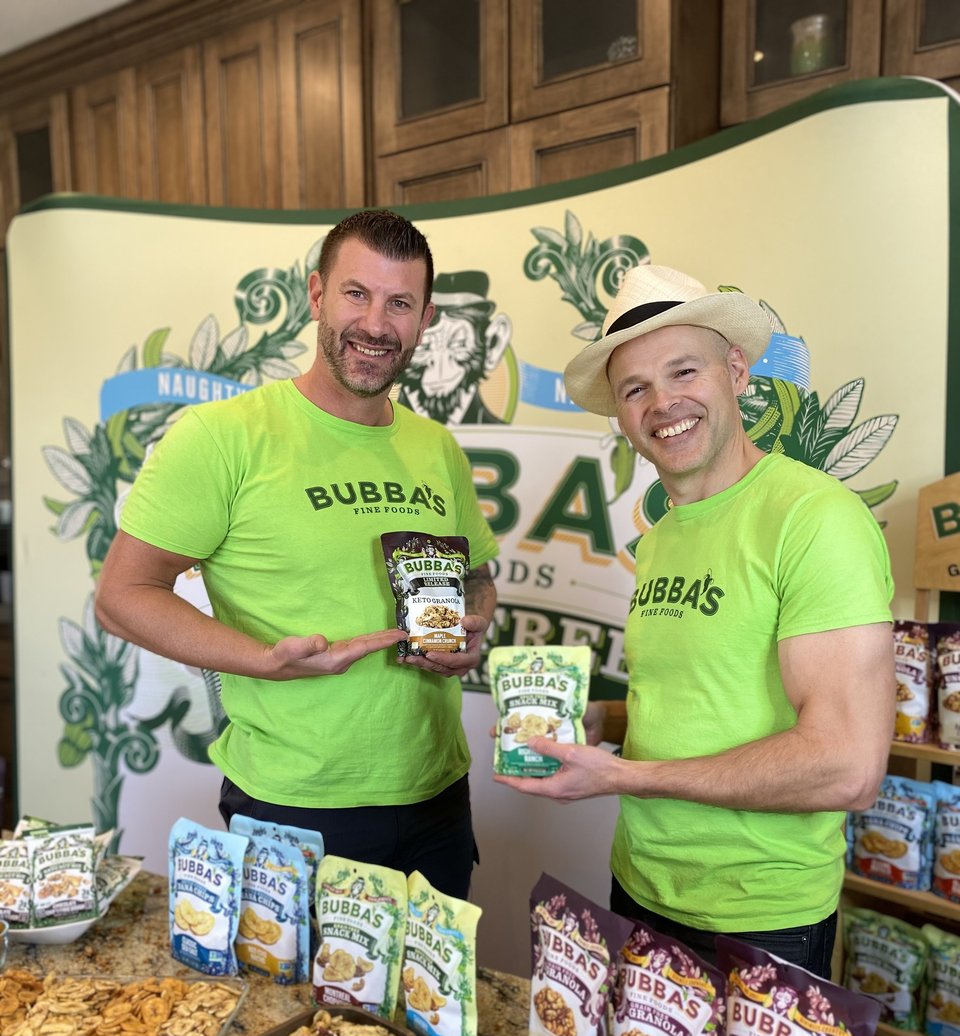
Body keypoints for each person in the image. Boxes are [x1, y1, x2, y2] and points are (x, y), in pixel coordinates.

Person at [495, 263, 895, 978]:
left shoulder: (815, 519)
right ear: (620, 414)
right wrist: (598, 723)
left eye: (684, 372)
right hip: (643, 889)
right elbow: (697, 698)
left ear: (736, 372)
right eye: (636, 388)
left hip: (758, 918)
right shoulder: (666, 533)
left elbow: (846, 765)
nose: (663, 403)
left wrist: (626, 777)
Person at [96, 209, 498, 899]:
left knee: (423, 1010)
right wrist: (262, 662)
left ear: (424, 319)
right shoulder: (224, 436)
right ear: (317, 295)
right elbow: (122, 595)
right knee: (294, 1012)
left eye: (399, 303)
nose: (376, 323)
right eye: (356, 294)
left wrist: (473, 626)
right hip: (294, 808)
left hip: (438, 799)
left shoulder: (438, 450)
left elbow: (479, 577)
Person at [395, 270, 513, 425]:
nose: (440, 370)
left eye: (458, 345)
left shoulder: (502, 440)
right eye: (424, 348)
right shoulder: (375, 432)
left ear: (492, 346)